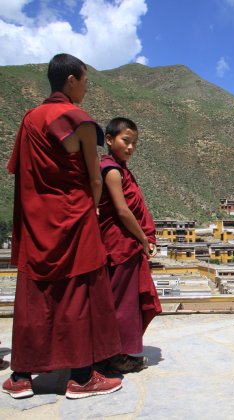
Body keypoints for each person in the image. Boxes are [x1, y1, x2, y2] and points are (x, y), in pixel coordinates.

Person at [3, 53, 123, 399]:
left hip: (36, 219)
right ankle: (82, 378)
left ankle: (22, 377)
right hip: (73, 216)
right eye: (85, 81)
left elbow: (21, 169)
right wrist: (94, 210)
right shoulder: (77, 119)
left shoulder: (30, 119)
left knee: (35, 296)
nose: (86, 88)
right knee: (78, 293)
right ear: (70, 80)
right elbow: (93, 177)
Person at [98, 117, 162, 373]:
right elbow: (123, 212)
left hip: (126, 244)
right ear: (110, 140)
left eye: (134, 143)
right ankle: (114, 356)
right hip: (119, 245)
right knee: (120, 305)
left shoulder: (122, 169)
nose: (131, 147)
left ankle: (119, 353)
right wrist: (143, 239)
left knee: (127, 303)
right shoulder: (111, 170)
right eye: (126, 141)